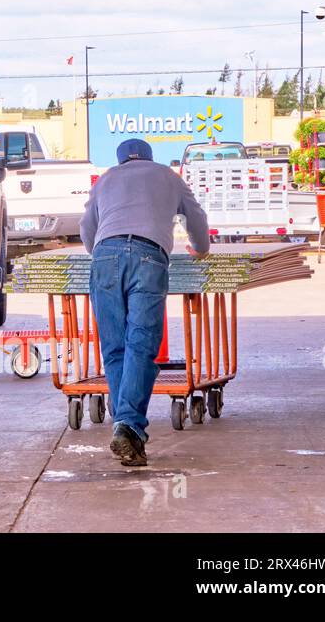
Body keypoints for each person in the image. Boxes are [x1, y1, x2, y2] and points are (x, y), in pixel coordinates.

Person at [79, 138, 210, 467]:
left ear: (121, 159)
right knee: (140, 343)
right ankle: (128, 425)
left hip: (105, 257)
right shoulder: (168, 176)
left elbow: (86, 228)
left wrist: (105, 253)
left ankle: (126, 426)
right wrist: (200, 248)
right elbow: (195, 217)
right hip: (149, 257)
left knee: (114, 346)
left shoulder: (106, 178)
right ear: (150, 158)